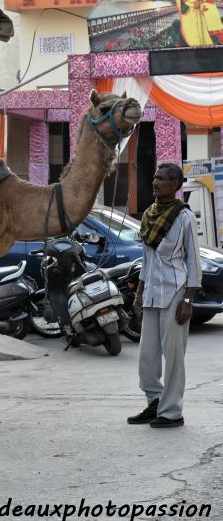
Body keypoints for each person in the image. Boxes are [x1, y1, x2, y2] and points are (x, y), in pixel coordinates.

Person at [127, 162, 201, 429]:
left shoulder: (184, 217)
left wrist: (189, 300)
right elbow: (147, 260)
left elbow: (193, 260)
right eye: (155, 178)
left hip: (176, 294)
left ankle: (172, 412)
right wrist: (139, 294)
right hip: (151, 295)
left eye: (161, 179)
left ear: (175, 185)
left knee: (173, 357)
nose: (155, 182)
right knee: (147, 358)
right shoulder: (149, 215)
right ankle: (155, 401)